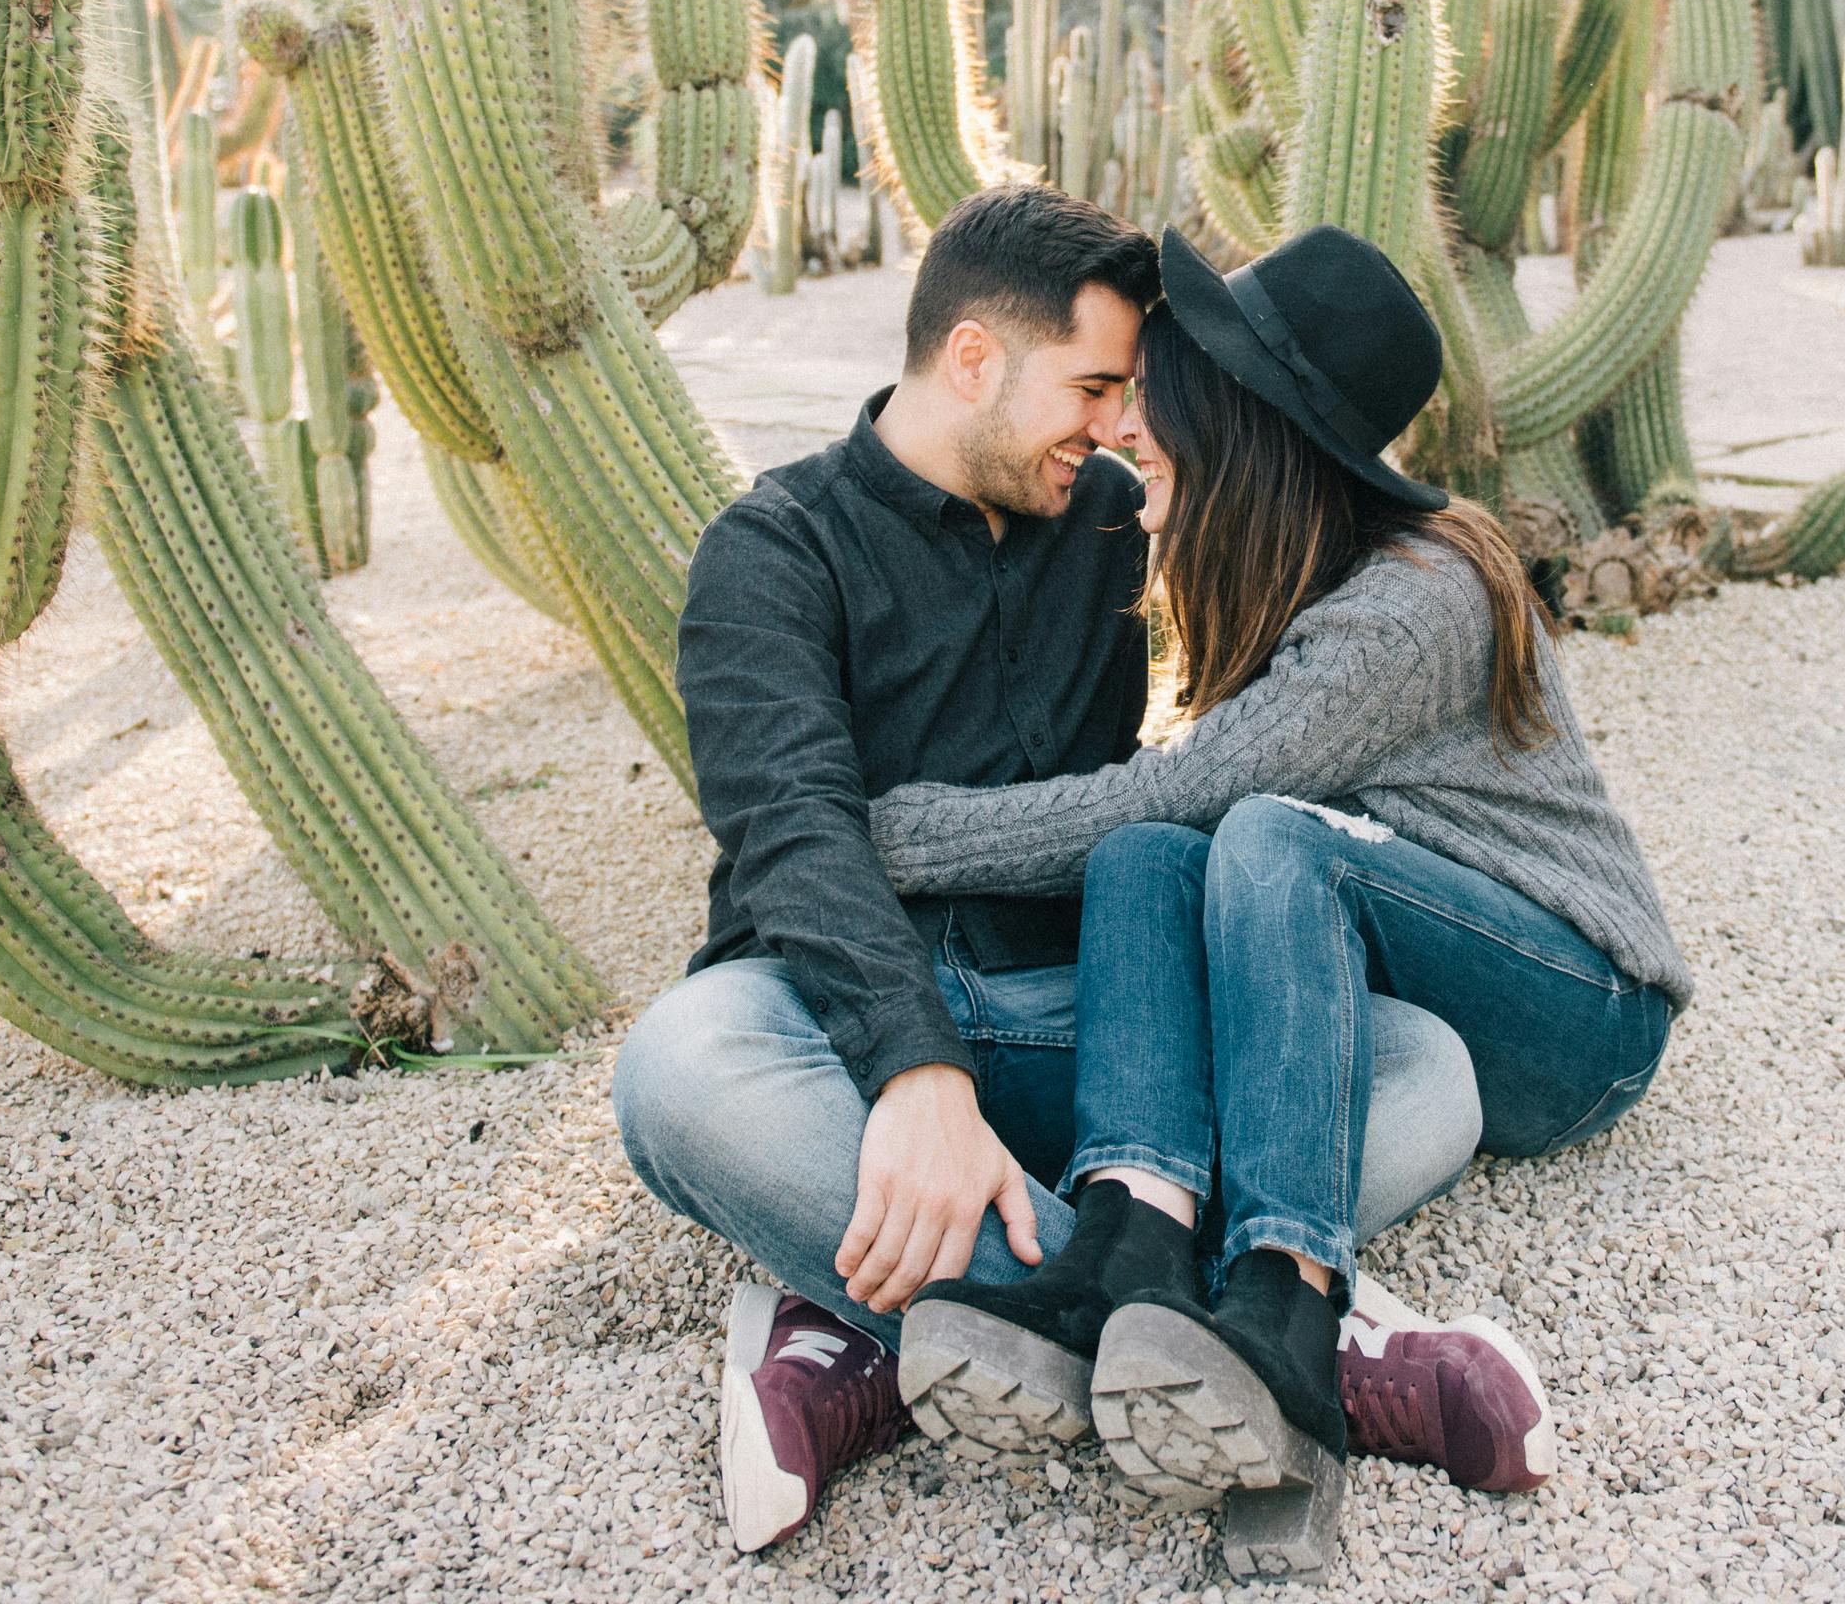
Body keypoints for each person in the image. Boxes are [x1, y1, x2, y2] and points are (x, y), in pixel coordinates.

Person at [610, 187, 1487, 1557]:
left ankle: (902, 1321)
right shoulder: (774, 548)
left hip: (1079, 1015)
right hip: (837, 1022)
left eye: (1126, 394)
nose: (1118, 426)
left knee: (1426, 1068)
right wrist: (917, 1076)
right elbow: (791, 833)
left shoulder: (1111, 517)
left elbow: (1216, 747)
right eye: (1091, 387)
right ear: (973, 358)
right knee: (679, 1069)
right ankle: (1238, 1320)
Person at [866, 224, 1694, 1578]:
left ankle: (1290, 1308)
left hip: (1581, 1014)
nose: (1127, 432)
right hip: (1429, 955)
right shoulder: (1322, 567)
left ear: (1242, 430)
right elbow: (1160, 821)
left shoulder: (1413, 604)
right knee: (1151, 856)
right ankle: (1130, 1241)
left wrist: (897, 834)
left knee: (1246, 832)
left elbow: (1205, 792)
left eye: (1157, 407)